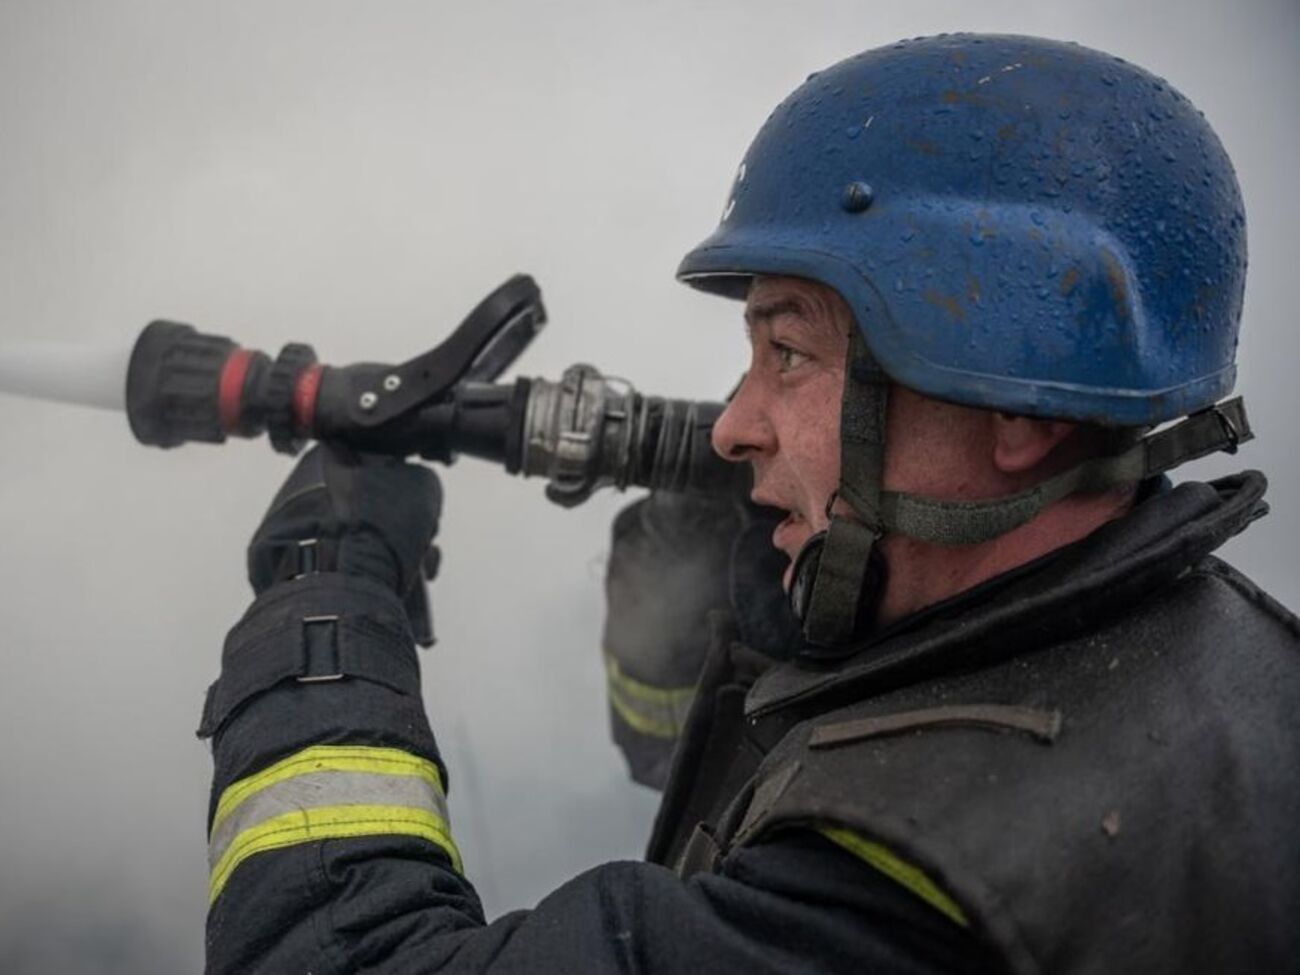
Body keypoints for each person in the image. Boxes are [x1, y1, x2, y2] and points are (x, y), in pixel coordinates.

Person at [198, 34, 1300, 974]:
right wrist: (740, 608)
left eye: (790, 353)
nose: (731, 425)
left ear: (1016, 406)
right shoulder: (1215, 658)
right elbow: (704, 767)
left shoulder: (895, 902)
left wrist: (323, 604)